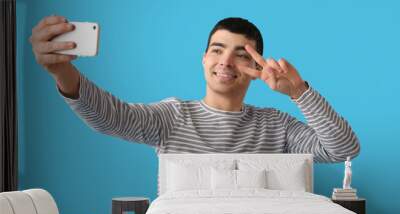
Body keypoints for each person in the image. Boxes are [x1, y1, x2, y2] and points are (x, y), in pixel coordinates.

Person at [29, 16, 360, 162]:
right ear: (204, 59)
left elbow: (343, 149)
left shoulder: (277, 125)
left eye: (241, 54)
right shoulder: (173, 116)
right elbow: (112, 118)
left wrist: (298, 91)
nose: (226, 61)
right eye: (218, 50)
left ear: (257, 69)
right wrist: (63, 71)